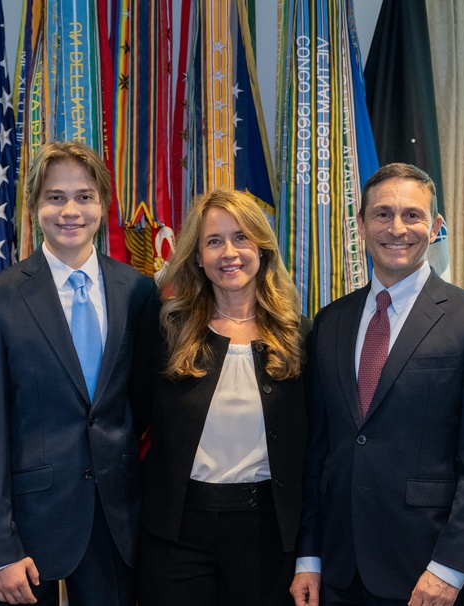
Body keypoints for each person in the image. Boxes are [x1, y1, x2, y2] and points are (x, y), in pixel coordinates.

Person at [291, 162, 464, 606]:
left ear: (434, 227)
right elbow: (317, 451)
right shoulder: (330, 321)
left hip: (426, 572)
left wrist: (450, 568)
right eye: (382, 214)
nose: (397, 228)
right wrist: (308, 557)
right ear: (360, 224)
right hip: (336, 570)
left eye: (412, 215)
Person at [0, 140, 158, 605]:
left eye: (85, 196)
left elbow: (143, 403)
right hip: (27, 528)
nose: (71, 210)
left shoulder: (138, 292)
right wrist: (1, 550)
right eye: (55, 197)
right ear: (33, 207)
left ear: (105, 207)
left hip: (115, 521)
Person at [131, 189, 310, 606]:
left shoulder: (298, 334)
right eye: (214, 241)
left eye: (241, 238)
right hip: (177, 535)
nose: (229, 252)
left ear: (262, 249)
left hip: (266, 535)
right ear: (196, 256)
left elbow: (312, 449)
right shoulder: (166, 327)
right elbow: (131, 418)